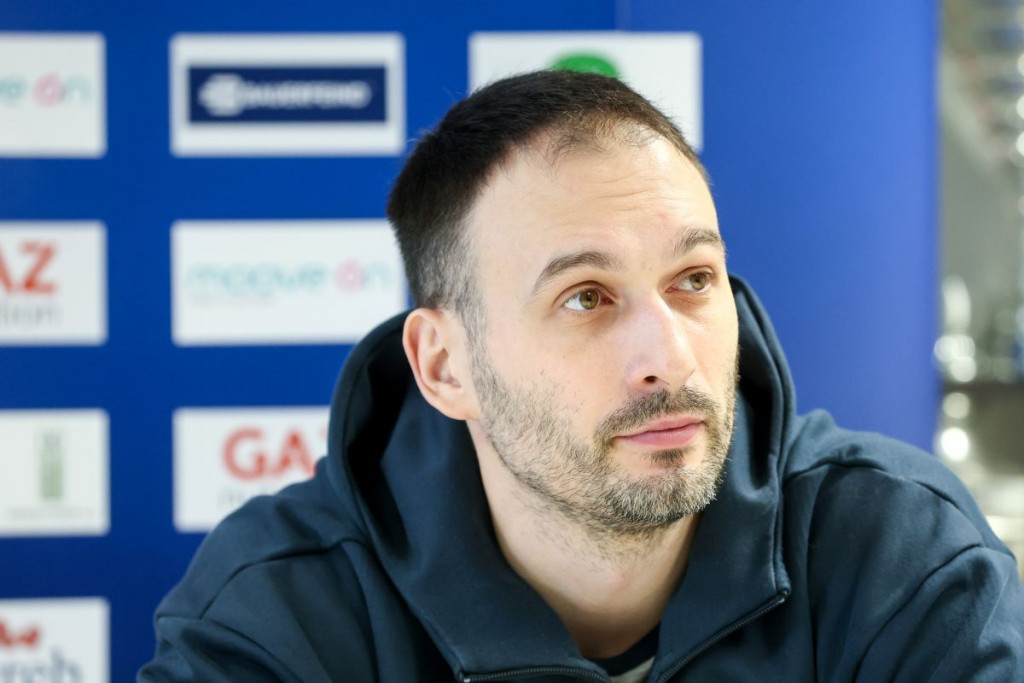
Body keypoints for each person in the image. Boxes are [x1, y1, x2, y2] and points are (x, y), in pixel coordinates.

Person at [139, 70, 1024, 682]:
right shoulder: (282, 609)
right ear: (445, 366)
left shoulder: (896, 552)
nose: (669, 356)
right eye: (586, 297)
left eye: (693, 280)